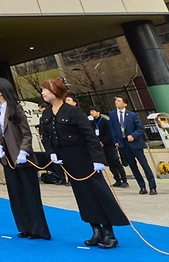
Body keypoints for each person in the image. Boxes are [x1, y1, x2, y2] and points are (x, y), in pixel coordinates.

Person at [41, 78, 127, 249]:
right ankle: (96, 230)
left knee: (98, 193)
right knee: (82, 195)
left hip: (84, 157)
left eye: (45, 89)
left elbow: (89, 136)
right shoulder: (47, 113)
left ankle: (109, 232)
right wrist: (51, 153)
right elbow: (46, 137)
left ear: (55, 91)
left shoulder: (73, 112)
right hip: (66, 159)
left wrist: (98, 159)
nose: (42, 93)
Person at [0, 79, 50, 240]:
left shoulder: (15, 108)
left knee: (30, 194)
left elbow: (26, 133)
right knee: (15, 194)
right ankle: (24, 227)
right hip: (7, 157)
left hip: (22, 157)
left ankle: (38, 229)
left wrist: (24, 151)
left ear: (1, 90)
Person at [109, 95, 156, 195]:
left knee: (144, 165)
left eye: (119, 101)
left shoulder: (132, 115)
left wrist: (133, 136)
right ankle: (142, 186)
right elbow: (112, 129)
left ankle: (152, 186)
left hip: (135, 144)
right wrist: (115, 140)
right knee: (133, 167)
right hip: (123, 144)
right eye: (116, 100)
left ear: (125, 103)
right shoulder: (112, 114)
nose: (116, 102)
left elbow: (140, 128)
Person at [89, 107, 128, 188]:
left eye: (93, 111)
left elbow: (109, 133)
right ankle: (117, 179)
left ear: (98, 112)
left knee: (116, 162)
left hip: (109, 145)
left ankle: (124, 180)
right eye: (91, 111)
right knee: (110, 163)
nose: (91, 113)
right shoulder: (92, 123)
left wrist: (103, 142)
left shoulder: (105, 122)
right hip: (100, 146)